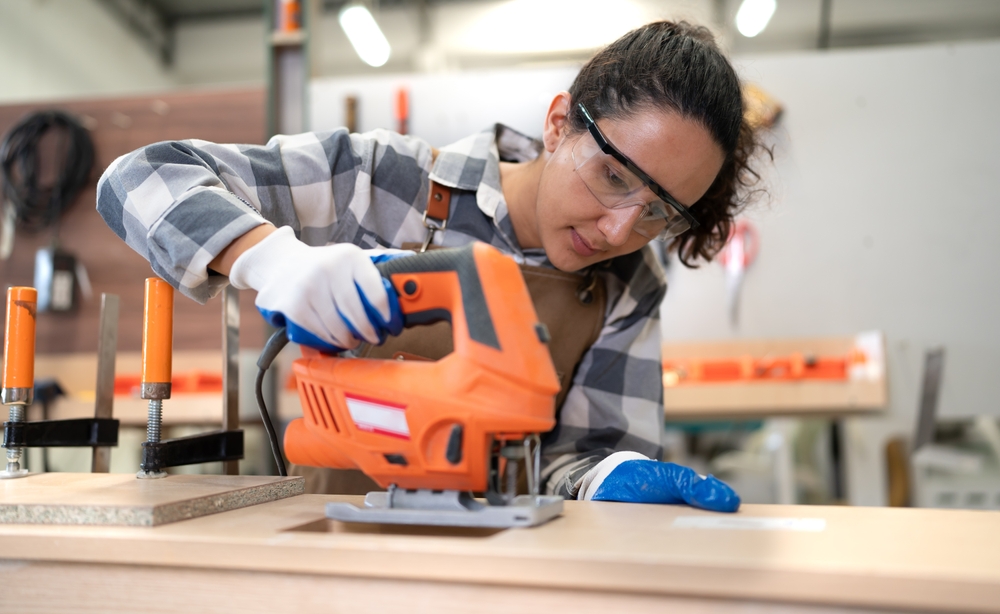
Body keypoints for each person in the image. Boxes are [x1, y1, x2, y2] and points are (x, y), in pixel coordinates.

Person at [97, 21, 761, 512]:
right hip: (342, 555)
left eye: (661, 211)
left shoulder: (630, 281)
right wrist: (267, 257)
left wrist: (600, 475)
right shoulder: (385, 182)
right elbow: (139, 177)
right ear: (559, 125)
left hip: (506, 571)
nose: (621, 229)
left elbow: (569, 460)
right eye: (613, 176)